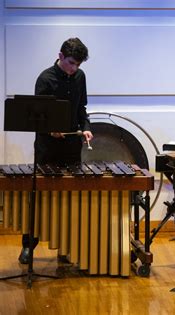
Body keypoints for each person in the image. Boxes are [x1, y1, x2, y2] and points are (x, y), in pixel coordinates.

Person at [19, 37, 93, 264]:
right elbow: (37, 117)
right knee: (39, 197)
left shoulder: (80, 77)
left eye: (78, 65)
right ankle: (28, 246)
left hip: (71, 147)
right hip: (47, 148)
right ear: (60, 56)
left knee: (71, 197)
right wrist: (50, 130)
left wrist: (86, 128)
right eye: (71, 63)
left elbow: (82, 108)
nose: (74, 69)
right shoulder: (45, 79)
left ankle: (66, 247)